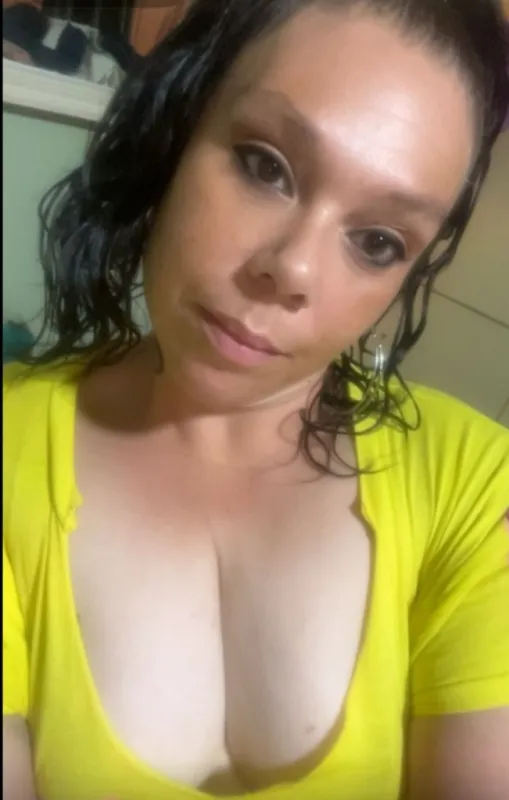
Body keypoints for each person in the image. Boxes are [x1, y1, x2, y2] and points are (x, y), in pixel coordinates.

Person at [3, 1, 509, 799]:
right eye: (265, 165)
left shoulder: (477, 489)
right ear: (176, 127)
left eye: (377, 241)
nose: (293, 270)